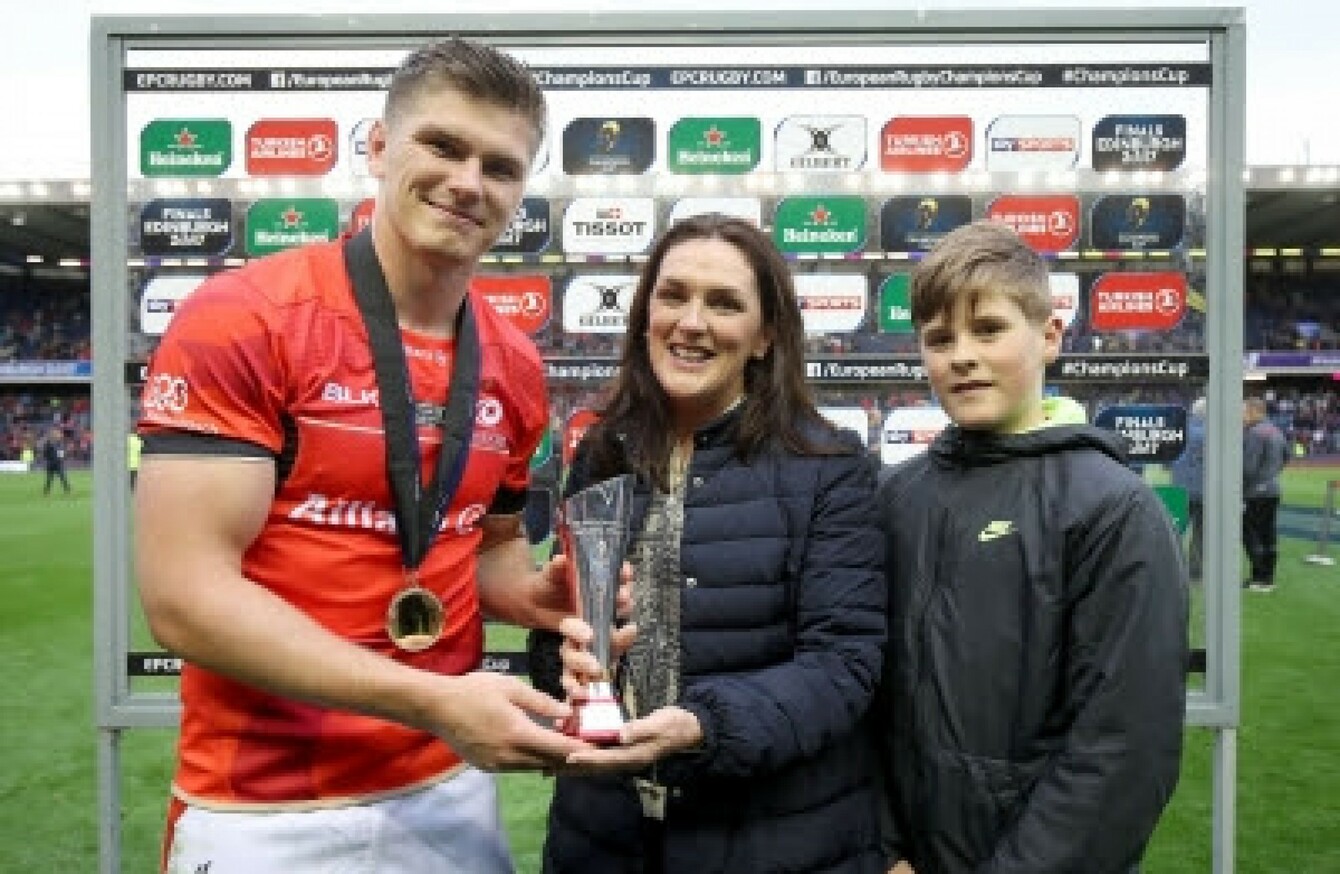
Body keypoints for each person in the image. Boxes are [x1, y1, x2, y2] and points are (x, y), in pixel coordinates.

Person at [135, 38, 595, 874]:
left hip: (448, 791)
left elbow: (484, 548)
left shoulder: (514, 363)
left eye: (500, 165)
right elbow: (185, 600)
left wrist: (534, 596)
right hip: (260, 809)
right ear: (379, 149)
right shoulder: (246, 317)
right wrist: (435, 703)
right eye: (443, 145)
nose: (468, 181)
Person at [529, 213, 887, 872]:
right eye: (674, 296)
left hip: (774, 844)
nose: (691, 322)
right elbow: (563, 636)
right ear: (644, 316)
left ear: (764, 338)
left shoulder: (829, 467)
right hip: (601, 842)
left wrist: (702, 726)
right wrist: (567, 668)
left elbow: (844, 665)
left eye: (724, 304)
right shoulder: (602, 455)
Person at [873, 221, 1189, 874]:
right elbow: (856, 698)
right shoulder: (893, 499)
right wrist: (884, 850)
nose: (961, 354)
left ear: (1049, 337)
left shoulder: (1113, 510)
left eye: (987, 329)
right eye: (939, 339)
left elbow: (1122, 751)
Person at [1243, 396, 1288, 592]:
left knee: (1251, 533)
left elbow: (1248, 467)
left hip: (1255, 492)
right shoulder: (1276, 431)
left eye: (1244, 411)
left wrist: (1239, 487)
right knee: (1269, 534)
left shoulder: (1254, 433)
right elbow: (1287, 457)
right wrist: (1271, 474)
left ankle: (1258, 578)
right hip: (1273, 489)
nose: (1242, 415)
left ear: (1254, 411)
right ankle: (1268, 577)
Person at [1170, 397, 1206, 579]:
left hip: (1179, 487)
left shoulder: (1179, 430)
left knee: (1174, 531)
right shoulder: (1212, 433)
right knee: (1200, 533)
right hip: (1204, 490)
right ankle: (1195, 570)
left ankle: (1170, 568)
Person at [41, 427, 70, 495]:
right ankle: (47, 490)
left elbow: (62, 452)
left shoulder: (59, 443)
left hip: (57, 463)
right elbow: (45, 453)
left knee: (62, 476)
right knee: (50, 478)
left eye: (58, 434)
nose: (59, 435)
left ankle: (66, 489)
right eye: (57, 434)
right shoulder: (48, 444)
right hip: (51, 463)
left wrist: (62, 456)